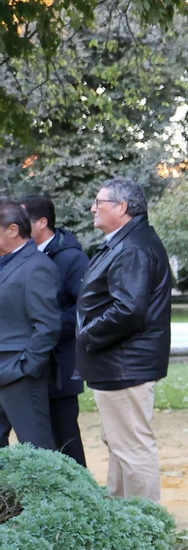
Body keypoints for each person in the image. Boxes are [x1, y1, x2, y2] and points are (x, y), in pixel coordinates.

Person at [78, 177, 171, 501]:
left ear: (122, 207)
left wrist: (87, 333)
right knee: (119, 444)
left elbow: (129, 309)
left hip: (125, 364)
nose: (93, 208)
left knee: (132, 448)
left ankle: (144, 522)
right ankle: (119, 514)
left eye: (99, 202)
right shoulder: (126, 242)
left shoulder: (133, 247)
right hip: (117, 362)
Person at [22, 195, 88, 464]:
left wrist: (46, 326)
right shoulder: (21, 257)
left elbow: (84, 310)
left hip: (61, 366)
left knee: (66, 439)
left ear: (42, 222)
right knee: (38, 441)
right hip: (30, 365)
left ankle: (80, 488)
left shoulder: (72, 258)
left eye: (22, 220)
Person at [0, 200, 61, 451]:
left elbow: (48, 326)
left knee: (38, 451)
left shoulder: (38, 266)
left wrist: (25, 368)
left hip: (21, 376)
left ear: (13, 230)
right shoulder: (5, 263)